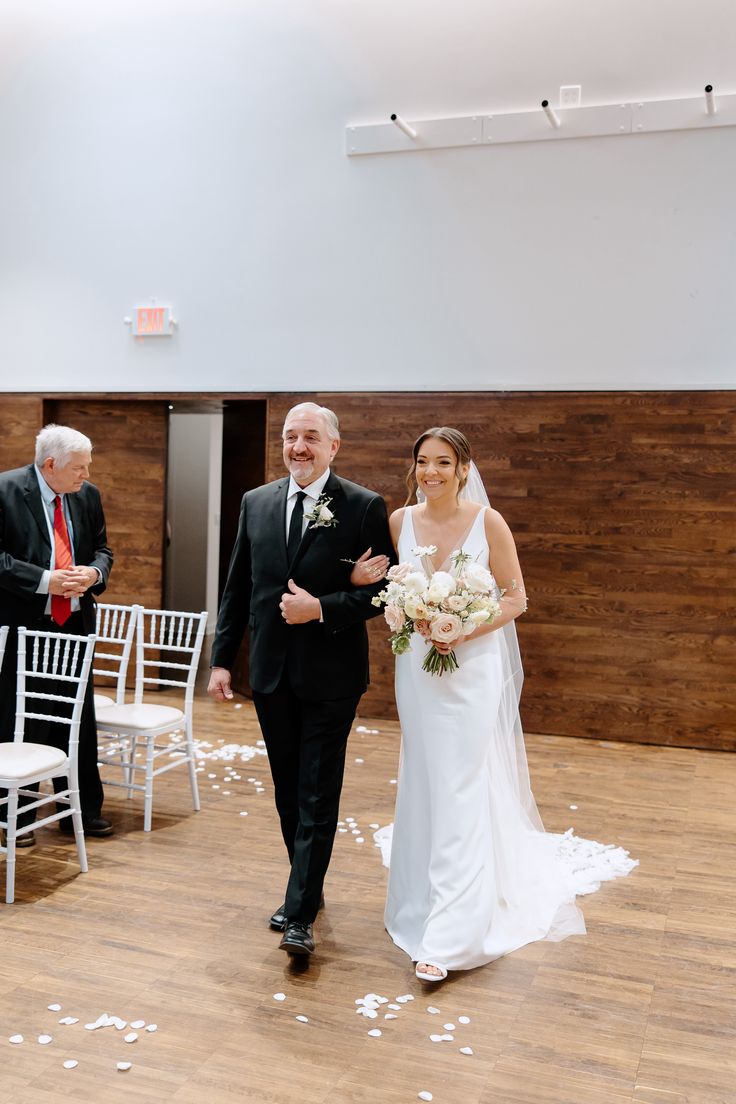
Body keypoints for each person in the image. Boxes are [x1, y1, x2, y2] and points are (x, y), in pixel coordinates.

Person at [352, 427, 636, 981]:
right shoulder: (398, 523)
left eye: (443, 462)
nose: (431, 472)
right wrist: (379, 590)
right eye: (423, 462)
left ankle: (452, 939)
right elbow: (381, 587)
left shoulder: (489, 522)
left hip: (472, 672)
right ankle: (416, 907)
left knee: (460, 785)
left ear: (463, 469)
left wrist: (464, 625)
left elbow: (516, 597)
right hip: (418, 675)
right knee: (423, 782)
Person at [208, 402, 393, 959]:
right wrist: (221, 659)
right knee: (287, 789)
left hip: (332, 675)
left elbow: (385, 592)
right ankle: (305, 888)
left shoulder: (362, 506)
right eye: (291, 437)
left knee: (317, 791)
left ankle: (300, 913)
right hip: (269, 673)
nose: (299, 447)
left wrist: (324, 607)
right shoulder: (256, 502)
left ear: (333, 446)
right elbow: (238, 586)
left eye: (311, 437)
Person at [0, 424, 114, 844]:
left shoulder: (88, 495)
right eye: (78, 468)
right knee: (21, 718)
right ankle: (16, 812)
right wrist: (45, 580)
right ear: (50, 464)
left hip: (75, 625)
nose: (85, 475)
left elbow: (104, 548)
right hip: (23, 626)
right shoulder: (6, 491)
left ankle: (79, 811)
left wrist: (95, 571)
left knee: (77, 721)